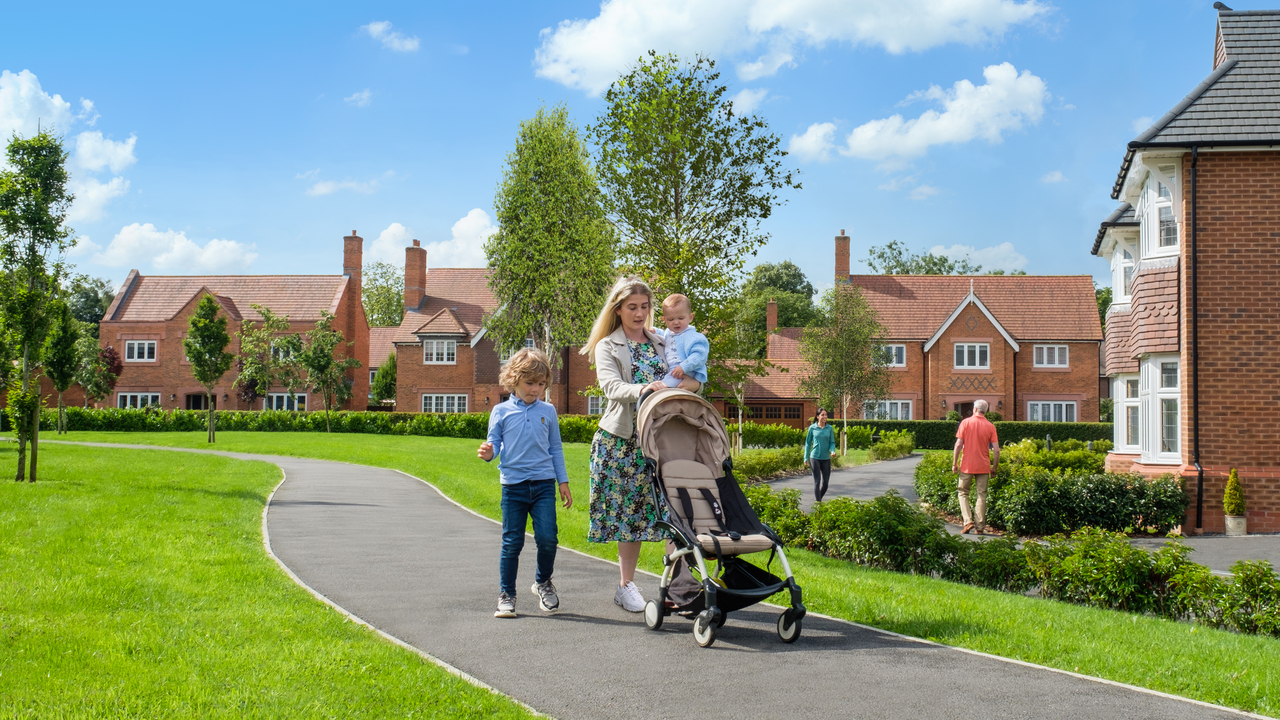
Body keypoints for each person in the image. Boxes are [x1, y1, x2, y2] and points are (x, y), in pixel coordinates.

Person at [578, 276, 670, 613]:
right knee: (628, 517)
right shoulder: (608, 345)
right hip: (621, 443)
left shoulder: (661, 341)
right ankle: (626, 586)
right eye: (632, 307)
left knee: (671, 514)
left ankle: (676, 586)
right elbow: (612, 387)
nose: (639, 313)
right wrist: (645, 389)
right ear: (618, 309)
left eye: (644, 307)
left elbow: (679, 377)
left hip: (660, 441)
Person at [477, 348, 573, 618]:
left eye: (541, 384)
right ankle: (506, 594)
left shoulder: (549, 411)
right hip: (513, 486)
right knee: (512, 542)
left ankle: (543, 582)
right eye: (530, 383)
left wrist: (562, 481)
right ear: (514, 380)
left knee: (548, 538)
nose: (536, 389)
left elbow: (555, 448)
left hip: (543, 484)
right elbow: (494, 443)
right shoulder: (500, 411)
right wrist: (488, 453)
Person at [951, 399, 999, 535]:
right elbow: (996, 450)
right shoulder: (990, 426)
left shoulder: (965, 423)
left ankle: (968, 521)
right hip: (983, 466)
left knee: (962, 492)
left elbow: (958, 444)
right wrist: (994, 467)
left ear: (974, 409)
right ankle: (979, 527)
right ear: (986, 411)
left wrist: (954, 463)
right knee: (981, 495)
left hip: (967, 464)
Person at [650, 293, 708, 393]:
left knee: (661, 388)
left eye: (681, 318)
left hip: (686, 371)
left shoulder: (694, 337)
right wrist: (655, 331)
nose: (676, 322)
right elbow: (664, 335)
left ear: (690, 317)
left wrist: (683, 366)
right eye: (671, 319)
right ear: (664, 320)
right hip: (674, 371)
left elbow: (700, 356)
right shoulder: (670, 333)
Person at [803, 409, 836, 502]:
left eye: (826, 415)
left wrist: (832, 451)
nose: (825, 417)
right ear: (818, 416)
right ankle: (818, 504)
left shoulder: (829, 428)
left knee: (825, 483)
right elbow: (808, 443)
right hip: (815, 457)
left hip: (826, 458)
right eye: (822, 415)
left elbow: (832, 442)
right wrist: (805, 457)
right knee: (817, 481)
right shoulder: (812, 428)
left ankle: (818, 500)